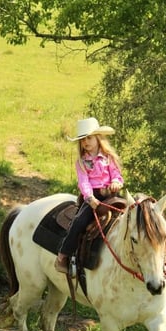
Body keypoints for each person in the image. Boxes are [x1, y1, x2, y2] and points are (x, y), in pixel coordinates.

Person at [54, 117, 124, 275]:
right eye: (83, 139)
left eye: (89, 137)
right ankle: (63, 255)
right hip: (94, 196)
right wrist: (89, 197)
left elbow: (117, 175)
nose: (86, 142)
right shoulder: (81, 162)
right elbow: (83, 182)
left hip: (112, 194)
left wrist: (116, 182)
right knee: (79, 222)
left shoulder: (109, 157)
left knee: (131, 215)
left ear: (98, 138)